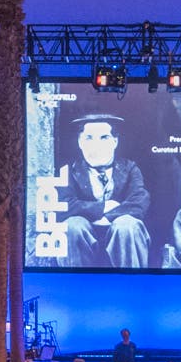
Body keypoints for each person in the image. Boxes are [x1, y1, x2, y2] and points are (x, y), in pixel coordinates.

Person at [53, 109, 153, 268]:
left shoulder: (129, 168)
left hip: (121, 239)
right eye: (89, 138)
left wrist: (108, 218)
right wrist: (102, 207)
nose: (96, 146)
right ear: (80, 142)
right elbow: (63, 205)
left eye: (104, 138)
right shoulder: (68, 170)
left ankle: (130, 286)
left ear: (115, 141)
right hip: (83, 238)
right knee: (71, 226)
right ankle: (76, 286)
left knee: (127, 225)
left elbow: (139, 202)